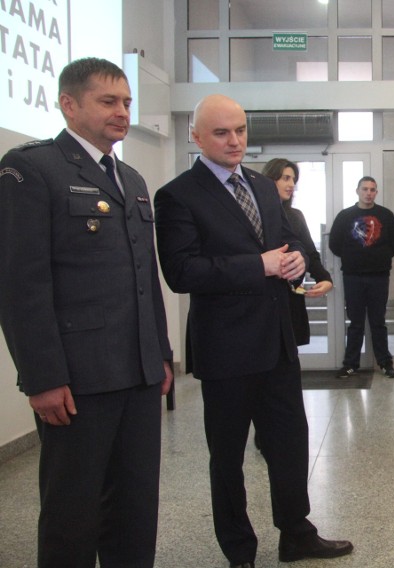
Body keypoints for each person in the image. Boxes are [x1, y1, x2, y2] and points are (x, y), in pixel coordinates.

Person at [154, 94, 352, 568]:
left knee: (288, 445)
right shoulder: (178, 195)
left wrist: (299, 260)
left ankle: (297, 534)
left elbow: (287, 244)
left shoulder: (264, 188)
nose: (235, 140)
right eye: (222, 132)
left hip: (276, 342)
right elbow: (182, 272)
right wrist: (257, 266)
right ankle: (239, 549)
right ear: (196, 136)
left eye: (240, 130)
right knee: (228, 459)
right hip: (225, 349)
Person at [0, 57, 173, 568]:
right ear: (69, 104)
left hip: (138, 374)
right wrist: (42, 376)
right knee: (72, 512)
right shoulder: (32, 169)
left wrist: (161, 356)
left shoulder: (133, 178)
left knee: (135, 507)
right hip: (78, 378)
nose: (122, 112)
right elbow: (20, 283)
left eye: (126, 103)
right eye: (108, 101)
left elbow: (146, 278)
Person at [329, 176, 394, 378]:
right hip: (353, 276)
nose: (368, 193)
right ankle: (350, 363)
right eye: (365, 189)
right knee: (355, 322)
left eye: (372, 189)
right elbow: (334, 244)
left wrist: (378, 256)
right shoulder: (345, 216)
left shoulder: (385, 215)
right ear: (357, 191)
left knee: (378, 321)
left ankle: (385, 363)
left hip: (379, 277)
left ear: (376, 192)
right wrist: (353, 257)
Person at [261, 158, 333, 345]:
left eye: (293, 180)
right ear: (270, 179)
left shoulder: (295, 215)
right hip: (262, 301)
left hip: (291, 298)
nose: (291, 184)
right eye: (285, 178)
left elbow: (309, 253)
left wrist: (325, 278)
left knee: (289, 360)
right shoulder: (255, 215)